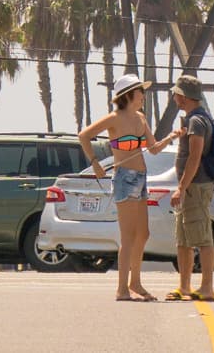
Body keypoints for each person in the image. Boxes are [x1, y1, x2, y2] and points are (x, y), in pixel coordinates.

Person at [79, 74, 174, 302]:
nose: (143, 95)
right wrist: (94, 163)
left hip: (141, 177)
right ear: (130, 94)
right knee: (128, 236)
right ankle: (122, 289)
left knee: (143, 233)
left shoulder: (141, 118)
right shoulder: (114, 118)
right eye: (141, 91)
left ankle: (136, 283)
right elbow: (84, 135)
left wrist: (171, 137)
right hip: (124, 178)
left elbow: (153, 149)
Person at [166, 73, 214, 303]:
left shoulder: (197, 121)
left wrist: (181, 187)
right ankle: (184, 287)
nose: (174, 96)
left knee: (203, 238)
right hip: (189, 187)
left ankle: (207, 287)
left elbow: (195, 157)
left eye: (176, 93)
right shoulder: (190, 120)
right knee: (184, 239)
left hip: (195, 187)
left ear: (184, 96)